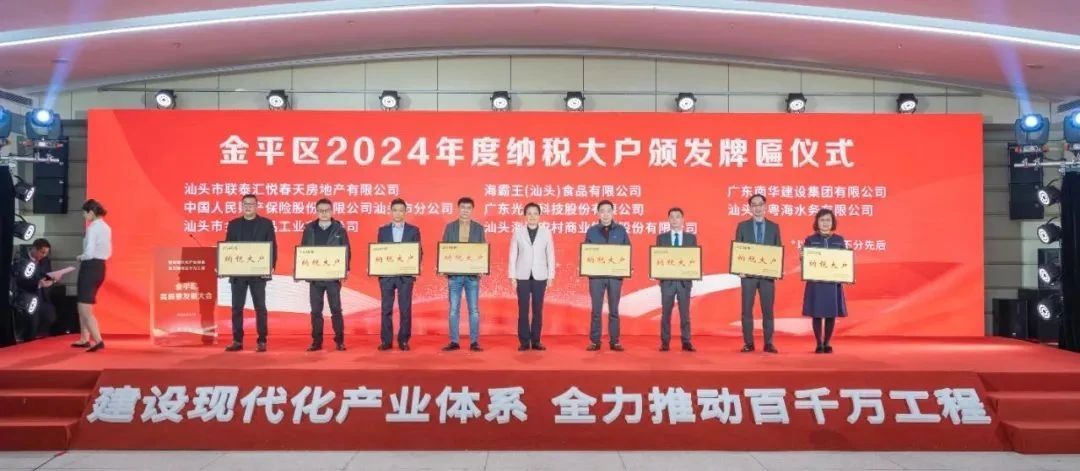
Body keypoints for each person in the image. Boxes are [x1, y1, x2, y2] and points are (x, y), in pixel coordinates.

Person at [224, 194, 277, 353]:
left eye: (251, 204)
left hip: (258, 273)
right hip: (238, 273)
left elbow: (272, 246)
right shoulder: (233, 224)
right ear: (242, 206)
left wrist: (271, 265)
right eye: (245, 204)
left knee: (260, 308)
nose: (248, 207)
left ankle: (262, 341)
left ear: (257, 206)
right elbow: (228, 248)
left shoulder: (266, 224)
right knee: (236, 308)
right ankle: (237, 340)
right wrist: (224, 265)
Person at [300, 198, 351, 352]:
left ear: (332, 211)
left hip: (332, 277)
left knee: (336, 309)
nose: (324, 213)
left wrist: (345, 269)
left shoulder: (339, 230)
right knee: (316, 311)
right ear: (316, 211)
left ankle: (339, 341)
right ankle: (316, 341)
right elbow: (303, 250)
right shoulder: (309, 229)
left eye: (327, 210)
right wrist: (302, 269)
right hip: (315, 278)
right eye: (321, 210)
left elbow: (346, 251)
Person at [735, 194, 781, 354]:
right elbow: (738, 249)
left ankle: (769, 343)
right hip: (748, 276)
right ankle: (748, 343)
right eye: (754, 205)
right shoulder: (742, 226)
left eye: (760, 204)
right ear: (750, 208)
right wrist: (739, 269)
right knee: (747, 310)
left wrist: (776, 269)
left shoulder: (774, 227)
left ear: (765, 206)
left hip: (767, 276)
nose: (757, 207)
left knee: (768, 310)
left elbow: (777, 249)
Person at [584, 200, 630, 351]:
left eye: (608, 211)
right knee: (596, 309)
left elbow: (627, 250)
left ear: (613, 213)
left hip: (614, 276)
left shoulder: (621, 230)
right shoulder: (591, 231)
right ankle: (595, 341)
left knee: (614, 309)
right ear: (598, 213)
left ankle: (614, 341)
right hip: (596, 277)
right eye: (602, 211)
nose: (605, 214)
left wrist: (626, 267)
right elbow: (587, 254)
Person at [508, 202, 555, 351]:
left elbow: (550, 255)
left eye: (535, 213)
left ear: (539, 216)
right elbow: (513, 254)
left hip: (540, 275)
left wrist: (551, 276)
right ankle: (523, 341)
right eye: (529, 213)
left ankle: (536, 341)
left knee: (537, 310)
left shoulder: (546, 232)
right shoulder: (518, 232)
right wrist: (512, 276)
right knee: (523, 310)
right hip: (522, 275)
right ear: (525, 216)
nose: (532, 216)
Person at [441, 197, 486, 352]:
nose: (465, 210)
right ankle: (454, 341)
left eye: (468, 208)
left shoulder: (478, 228)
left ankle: (474, 342)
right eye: (463, 207)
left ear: (472, 210)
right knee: (454, 309)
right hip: (455, 275)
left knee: (474, 310)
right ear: (458, 209)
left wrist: (482, 267)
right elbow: (445, 248)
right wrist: (443, 266)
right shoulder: (450, 227)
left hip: (472, 276)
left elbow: (482, 250)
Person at [377, 198, 421, 351]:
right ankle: (386, 341)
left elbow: (418, 252)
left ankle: (404, 340)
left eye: (401, 210)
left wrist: (414, 268)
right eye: (395, 210)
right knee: (386, 309)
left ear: (405, 212)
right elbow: (378, 252)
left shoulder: (413, 230)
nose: (398, 213)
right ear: (391, 212)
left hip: (405, 276)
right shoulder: (383, 230)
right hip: (387, 276)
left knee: (405, 309)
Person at [803, 208, 848, 354]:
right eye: (822, 220)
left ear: (832, 222)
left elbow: (844, 262)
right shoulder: (810, 240)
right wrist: (803, 258)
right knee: (816, 313)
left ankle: (827, 342)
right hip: (816, 282)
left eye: (828, 220)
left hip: (832, 283)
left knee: (830, 313)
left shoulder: (839, 240)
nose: (825, 223)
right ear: (817, 222)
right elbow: (806, 261)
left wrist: (847, 272)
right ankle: (818, 343)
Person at [73, 200, 111, 352]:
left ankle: (97, 340)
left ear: (91, 212)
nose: (84, 216)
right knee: (83, 304)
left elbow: (89, 252)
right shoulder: (106, 227)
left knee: (84, 308)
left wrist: (79, 257)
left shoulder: (93, 228)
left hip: (89, 267)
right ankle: (84, 338)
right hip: (100, 267)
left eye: (85, 213)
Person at [657, 207, 695, 352]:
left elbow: (693, 258)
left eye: (677, 217)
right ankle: (665, 342)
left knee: (685, 314)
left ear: (683, 219)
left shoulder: (691, 238)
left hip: (684, 282)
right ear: (668, 220)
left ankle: (686, 341)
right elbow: (658, 259)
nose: (674, 220)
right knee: (666, 313)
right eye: (672, 217)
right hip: (667, 282)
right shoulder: (662, 238)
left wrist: (695, 271)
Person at [13, 239, 56, 341]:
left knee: (50, 315)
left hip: (42, 294)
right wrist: (38, 283)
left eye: (46, 253)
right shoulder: (21, 259)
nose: (44, 255)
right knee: (33, 321)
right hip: (26, 293)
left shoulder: (45, 260)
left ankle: (40, 337)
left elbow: (47, 274)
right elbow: (20, 280)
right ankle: (28, 339)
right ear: (34, 249)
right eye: (42, 252)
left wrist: (52, 280)